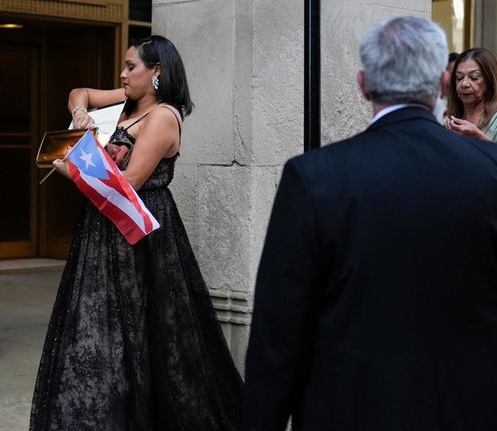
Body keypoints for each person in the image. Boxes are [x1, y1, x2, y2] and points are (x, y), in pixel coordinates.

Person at [242, 16, 497, 431]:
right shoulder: (489, 170)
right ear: (442, 82)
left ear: (363, 84)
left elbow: (279, 333)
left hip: (349, 411)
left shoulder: (315, 177)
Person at [30, 35, 244, 431]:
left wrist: (71, 163)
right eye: (124, 66)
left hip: (136, 231)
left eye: (131, 67)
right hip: (100, 226)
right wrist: (80, 115)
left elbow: (127, 182)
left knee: (137, 330)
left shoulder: (163, 116)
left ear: (156, 72)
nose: (123, 73)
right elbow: (79, 92)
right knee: (95, 325)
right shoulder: (128, 101)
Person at [444, 47, 497, 141]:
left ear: (489, 81)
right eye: (459, 78)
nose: (464, 84)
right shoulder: (450, 118)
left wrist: (478, 137)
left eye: (474, 77)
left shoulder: (494, 119)